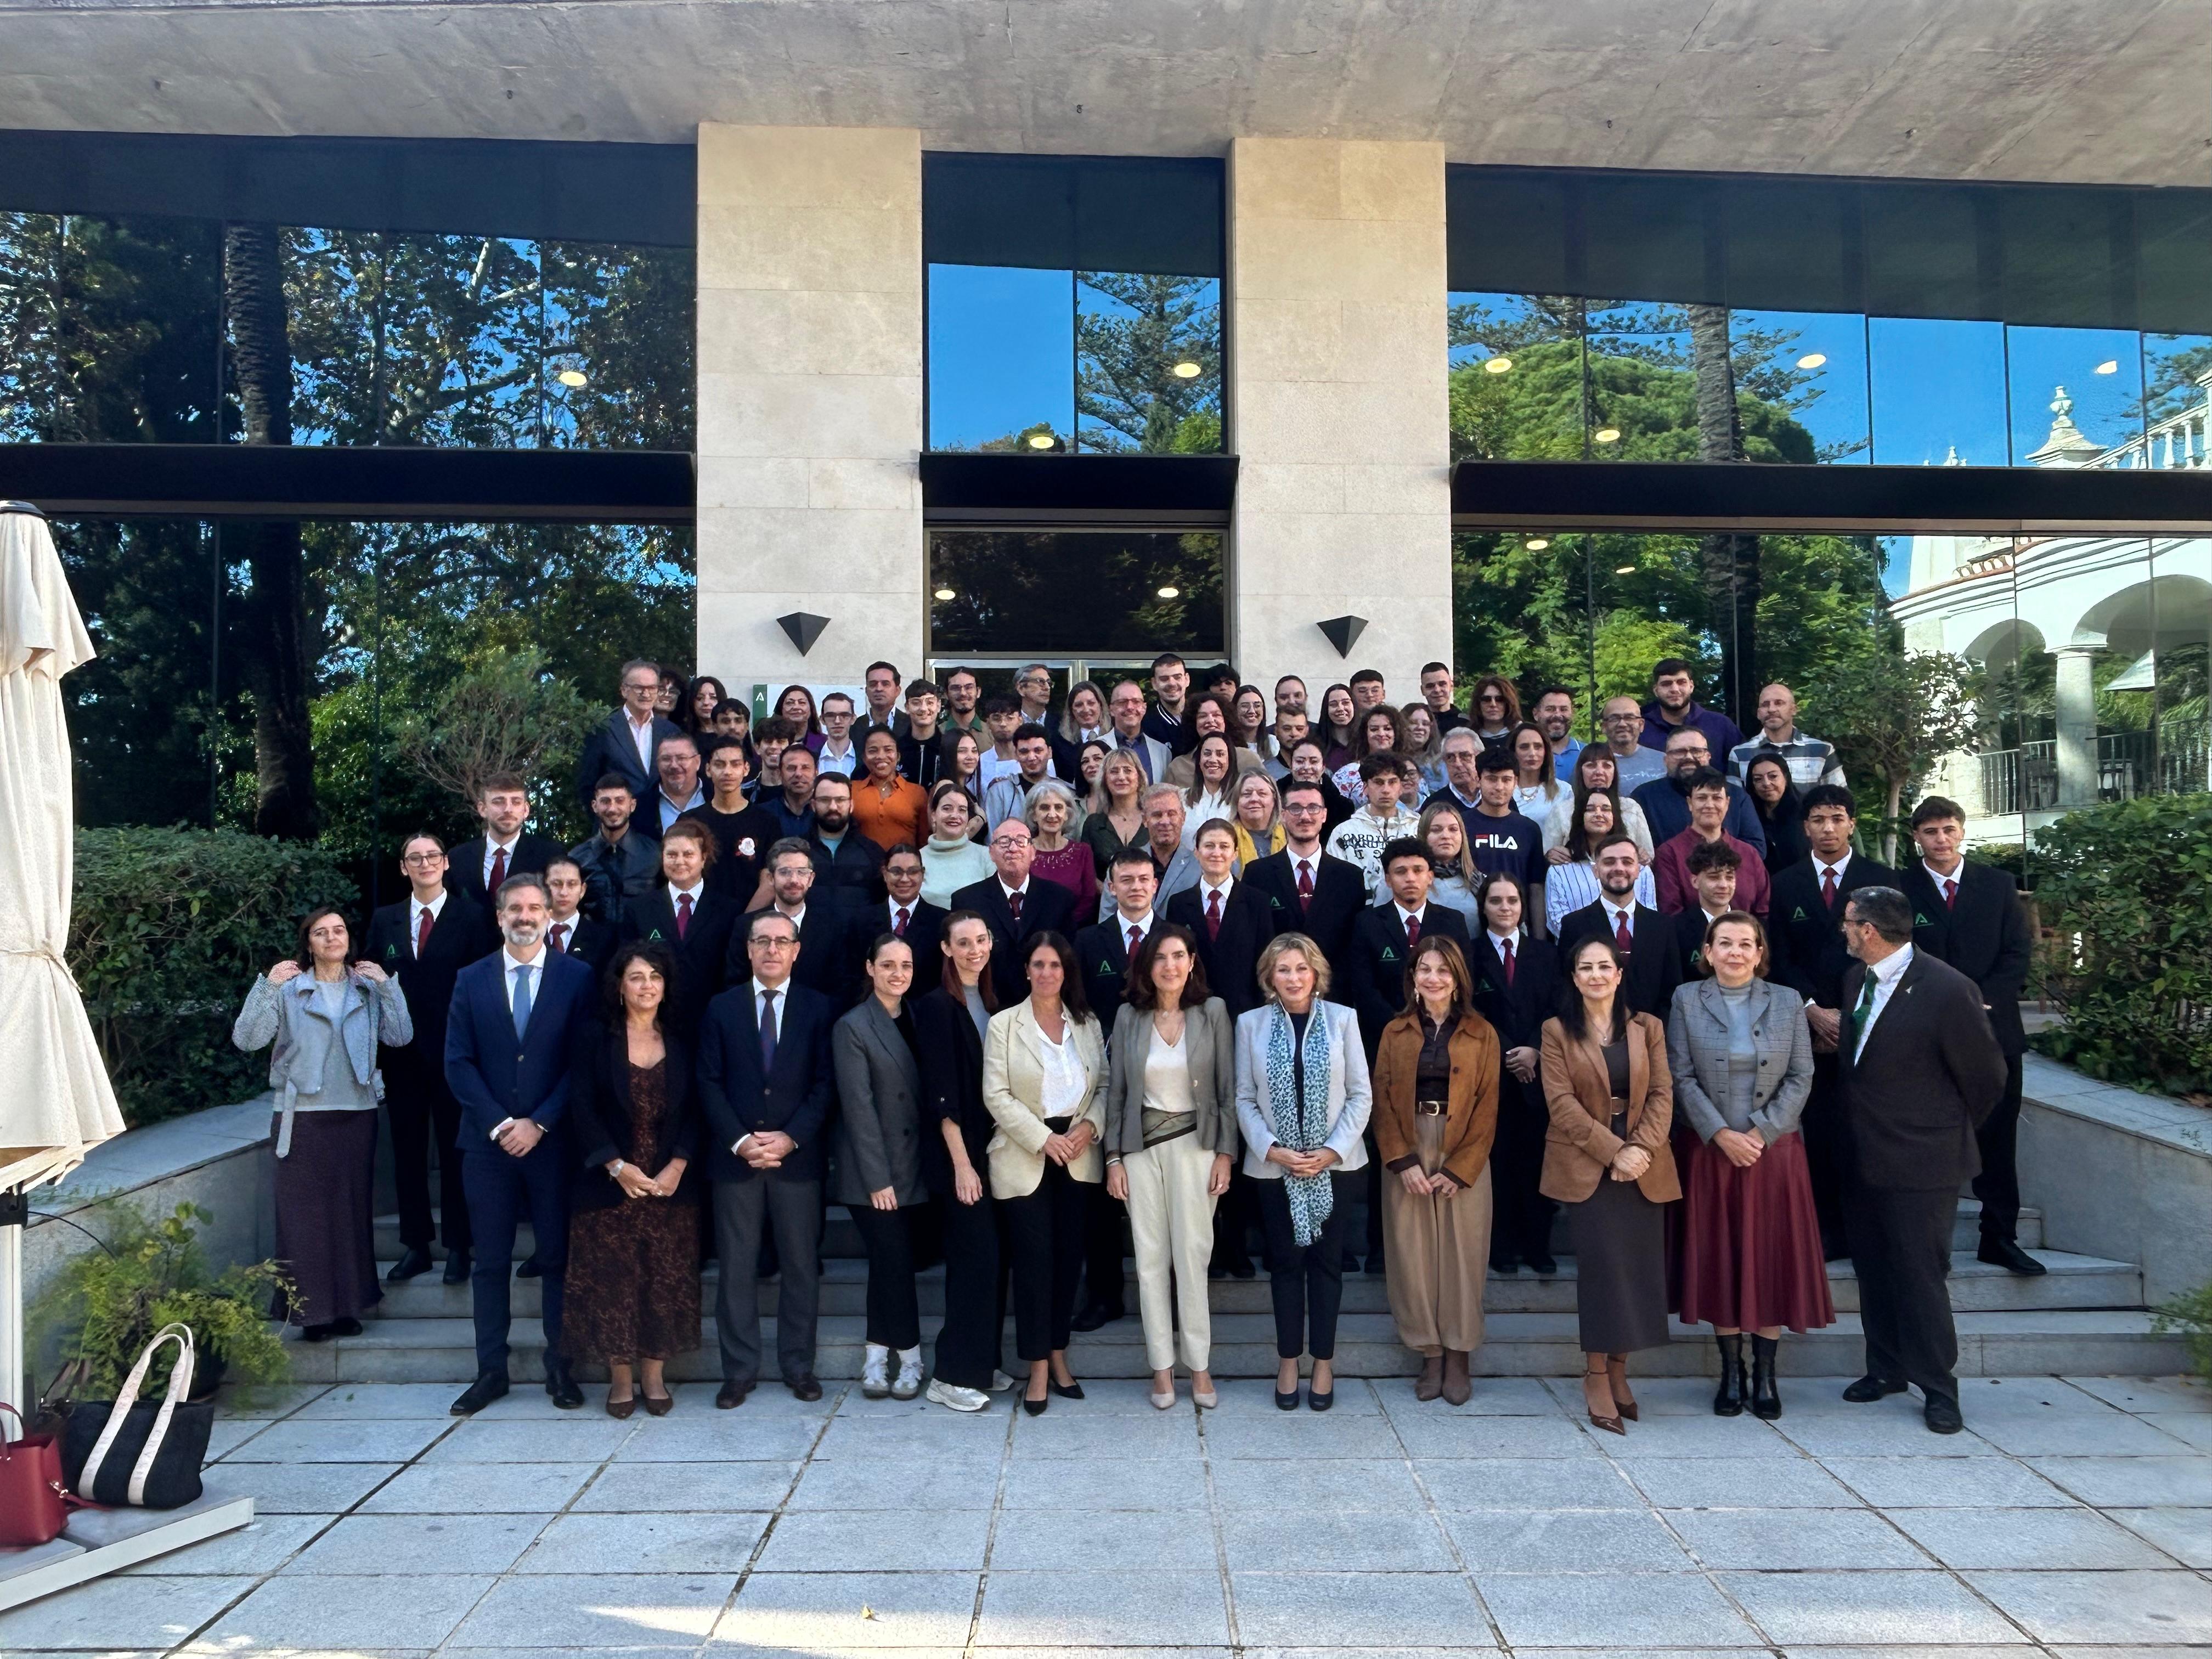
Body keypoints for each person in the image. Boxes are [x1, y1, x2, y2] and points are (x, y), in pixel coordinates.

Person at [1836, 887, 2007, 1434]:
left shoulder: (1948, 989)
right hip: (1863, 1155)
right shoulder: (1855, 980)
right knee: (1874, 1268)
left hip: (1924, 1160)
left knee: (1920, 1272)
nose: (1842, 930)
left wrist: (1940, 1130)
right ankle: (1885, 1368)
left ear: (1869, 930)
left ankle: (1939, 1386)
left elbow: (1986, 1079)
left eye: (1848, 922)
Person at [443, 874, 598, 1414]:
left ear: (549, 915)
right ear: (500, 917)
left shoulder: (578, 978)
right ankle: (492, 1371)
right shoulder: (470, 978)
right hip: (488, 1147)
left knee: (557, 1256)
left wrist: (540, 1123)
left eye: (536, 907)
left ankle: (562, 1366)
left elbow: (582, 1063)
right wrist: (501, 1125)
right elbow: (457, 1061)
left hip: (553, 1145)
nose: (526, 916)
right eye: (516, 909)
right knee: (490, 1262)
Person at [1666, 911, 1829, 1420]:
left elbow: (1802, 1076)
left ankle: (1766, 1376)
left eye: (1746, 944)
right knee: (1721, 1258)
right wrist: (1720, 1134)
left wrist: (1759, 1132)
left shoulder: (1784, 1001)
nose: (1735, 953)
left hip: (1773, 1153)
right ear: (1707, 951)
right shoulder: (1686, 999)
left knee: (1768, 1259)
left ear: (1760, 954)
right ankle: (1731, 1374)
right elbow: (1680, 1075)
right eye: (1725, 943)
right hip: (1710, 1152)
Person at [233, 907, 410, 1342]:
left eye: (339, 931)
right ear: (308, 943)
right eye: (321, 933)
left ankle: (348, 1309)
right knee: (303, 1218)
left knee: (350, 1214)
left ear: (349, 938)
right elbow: (247, 1038)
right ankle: (312, 1314)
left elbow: (401, 1036)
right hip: (302, 1118)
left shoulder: (368, 988)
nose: (332, 938)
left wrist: (388, 989)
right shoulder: (291, 988)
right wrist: (267, 986)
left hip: (357, 1115)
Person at [1541, 934, 1679, 1434]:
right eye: (1586, 968)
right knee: (1603, 1271)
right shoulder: (1556, 1031)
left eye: (1605, 966)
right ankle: (1595, 1375)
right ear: (1574, 978)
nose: (1596, 975)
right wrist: (1613, 1151)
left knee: (1638, 1271)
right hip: (1588, 1164)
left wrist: (1640, 1149)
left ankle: (1621, 1373)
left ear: (1619, 975)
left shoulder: (1649, 1028)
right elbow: (1561, 1105)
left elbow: (1663, 1092)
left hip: (1644, 1163)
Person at [698, 910, 837, 1406]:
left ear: (797, 950)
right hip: (735, 1161)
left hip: (796, 1160)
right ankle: (739, 1371)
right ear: (749, 949)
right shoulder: (720, 1008)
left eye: (782, 941)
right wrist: (741, 1141)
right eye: (762, 941)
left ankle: (799, 1366)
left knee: (801, 1266)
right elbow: (708, 1083)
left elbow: (826, 1084)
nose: (772, 950)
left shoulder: (820, 1008)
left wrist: (790, 1138)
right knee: (735, 1268)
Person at [1900, 797, 2039, 1276]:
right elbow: (1895, 955)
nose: (1941, 839)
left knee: (1998, 1139)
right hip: (1925, 1036)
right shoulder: (1901, 889)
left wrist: (1980, 1000)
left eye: (1949, 829)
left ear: (1962, 832)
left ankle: (1999, 1238)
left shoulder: (1998, 885)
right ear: (1916, 836)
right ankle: (1923, 1243)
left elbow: (2018, 954)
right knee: (1925, 1141)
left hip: (1994, 1031)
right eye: (1931, 831)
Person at [562, 940, 699, 1418]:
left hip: (667, 1186)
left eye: (655, 977)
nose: (647, 986)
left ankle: (655, 1378)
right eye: (637, 977)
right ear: (619, 986)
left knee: (662, 1284)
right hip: (610, 1183)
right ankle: (621, 1382)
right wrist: (617, 1167)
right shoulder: (593, 1037)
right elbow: (581, 1106)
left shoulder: (681, 1039)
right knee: (613, 1285)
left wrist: (678, 1165)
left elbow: (695, 1110)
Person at [1236, 933, 1372, 1411]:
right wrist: (1273, 1149)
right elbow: (1244, 1097)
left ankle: (1324, 1362)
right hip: (1275, 1169)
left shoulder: (1343, 1020)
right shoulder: (1250, 1025)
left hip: (1335, 1166)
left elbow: (1361, 1094)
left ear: (1316, 974)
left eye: (1301, 969)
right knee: (1286, 1267)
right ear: (1269, 977)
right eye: (1283, 970)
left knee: (1328, 1266)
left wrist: (1331, 1151)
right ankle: (1289, 1360)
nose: (1293, 978)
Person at [1103, 925, 1236, 1408]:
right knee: (1151, 1260)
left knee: (1193, 1259)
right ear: (1146, 966)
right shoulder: (1128, 1017)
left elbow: (1227, 1090)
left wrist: (1225, 1153)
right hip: (1140, 1151)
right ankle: (1161, 1370)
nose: (1170, 966)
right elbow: (1115, 1093)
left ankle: (1199, 1369)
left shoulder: (1213, 1012)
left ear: (1192, 961)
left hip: (1196, 1150)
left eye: (1179, 956)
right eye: (1159, 958)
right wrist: (1114, 1158)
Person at [1765, 783, 1895, 1259]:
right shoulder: (1784, 882)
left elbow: (1893, 955)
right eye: (1818, 820)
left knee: (1866, 1131)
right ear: (1806, 827)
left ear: (1852, 824)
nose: (1828, 828)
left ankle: (1869, 1229)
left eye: (1837, 818)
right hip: (1808, 1026)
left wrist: (1851, 1012)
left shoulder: (1882, 881)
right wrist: (1812, 1010)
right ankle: (1825, 1232)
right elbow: (1777, 957)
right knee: (1818, 1131)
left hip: (1868, 1021)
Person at [984, 932, 1109, 1413]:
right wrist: (1044, 1138)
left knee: (1066, 1263)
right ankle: (1036, 1367)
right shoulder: (1004, 1025)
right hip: (1027, 1153)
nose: (1046, 973)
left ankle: (1059, 1356)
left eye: (1055, 965)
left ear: (1067, 971)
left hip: (1078, 1154)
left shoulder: (1087, 1022)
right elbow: (995, 1094)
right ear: (1026, 970)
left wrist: (1091, 1127)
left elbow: (1106, 1083)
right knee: (1034, 1267)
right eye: (1038, 964)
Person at [1373, 935, 1498, 1402]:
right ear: (1413, 978)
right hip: (1409, 1145)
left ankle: (1459, 1354)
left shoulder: (1482, 1032)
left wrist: (1462, 1167)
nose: (1434, 978)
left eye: (1443, 970)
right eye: (1424, 970)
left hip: (1464, 1150)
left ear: (1458, 978)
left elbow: (1488, 1106)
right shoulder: (1395, 1031)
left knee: (1463, 1255)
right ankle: (1429, 1354)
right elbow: (1381, 1099)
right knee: (1413, 1255)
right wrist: (1401, 1160)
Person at [365, 834, 494, 1285]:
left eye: (432, 856)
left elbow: (485, 986)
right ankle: (416, 1245)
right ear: (403, 867)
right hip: (401, 1057)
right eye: (414, 858)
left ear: (445, 864)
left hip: (456, 1054)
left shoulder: (472, 917)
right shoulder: (385, 921)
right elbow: (371, 987)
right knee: (407, 1152)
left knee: (456, 1153)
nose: (424, 864)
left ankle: (460, 1246)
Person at [911, 913, 1010, 1412]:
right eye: (964, 943)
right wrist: (963, 1166)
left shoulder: (991, 1001)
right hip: (960, 1157)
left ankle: (982, 1363)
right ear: (946, 949)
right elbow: (941, 1094)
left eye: (981, 940)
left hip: (992, 1151)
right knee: (976, 1262)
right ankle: (951, 1374)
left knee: (991, 1263)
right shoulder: (935, 1006)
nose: (975, 949)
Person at [832, 933, 933, 1401]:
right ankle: (909, 1359)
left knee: (890, 1265)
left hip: (917, 1167)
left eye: (906, 966)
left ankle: (876, 1354)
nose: (898, 974)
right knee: (893, 1262)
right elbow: (859, 1109)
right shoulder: (853, 1025)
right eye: (888, 965)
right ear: (870, 968)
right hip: (874, 1174)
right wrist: (878, 1180)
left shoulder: (920, 1016)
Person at [1466, 872, 1560, 1275]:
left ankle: (1537, 1247)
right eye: (1496, 901)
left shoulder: (1546, 955)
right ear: (1483, 907)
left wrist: (1534, 1050)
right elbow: (1470, 1010)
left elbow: (1557, 1008)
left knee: (1537, 1165)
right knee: (1498, 1165)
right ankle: (1500, 1248)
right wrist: (1509, 1052)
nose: (1505, 908)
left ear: (1523, 907)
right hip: (1492, 1076)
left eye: (1512, 901)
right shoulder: (1468, 955)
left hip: (1539, 1076)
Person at [619, 820, 736, 1035]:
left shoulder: (728, 911)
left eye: (688, 854)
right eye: (672, 854)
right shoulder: (639, 909)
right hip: (655, 1025)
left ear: (703, 858)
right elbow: (627, 967)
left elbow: (733, 972)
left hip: (712, 1023)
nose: (679, 861)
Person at [1555, 835, 1683, 1018]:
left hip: (1651, 1035)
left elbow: (1673, 989)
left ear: (1639, 870)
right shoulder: (1574, 925)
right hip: (1593, 1036)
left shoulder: (1663, 926)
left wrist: (1652, 1030)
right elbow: (1566, 986)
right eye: (1609, 862)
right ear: (1596, 870)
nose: (1619, 868)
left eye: (1627, 862)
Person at [1245, 780, 1367, 968]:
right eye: (1295, 808)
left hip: (1335, 992)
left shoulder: (1350, 877)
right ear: (1283, 815)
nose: (1305, 816)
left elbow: (1356, 947)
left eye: (1313, 808)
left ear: (1324, 815)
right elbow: (1253, 941)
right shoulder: (1257, 874)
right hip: (1277, 987)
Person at [741, 839, 860, 1008]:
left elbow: (841, 987)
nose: (794, 880)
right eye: (785, 872)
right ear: (771, 878)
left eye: (802, 872)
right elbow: (735, 984)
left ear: (811, 879)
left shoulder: (833, 928)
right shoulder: (745, 926)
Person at [1651, 766, 1771, 917]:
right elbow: (1671, 912)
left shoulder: (1748, 853)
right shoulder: (1669, 853)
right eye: (1702, 798)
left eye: (1717, 798)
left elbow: (1764, 912)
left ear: (1727, 804)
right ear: (1690, 803)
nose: (1709, 805)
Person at [1632, 727, 1769, 856]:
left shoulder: (1736, 796)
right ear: (1666, 760)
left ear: (1708, 756)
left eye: (1696, 751)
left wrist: (1710, 865)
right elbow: (1636, 850)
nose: (1689, 757)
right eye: (1679, 752)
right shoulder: (1644, 797)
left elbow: (1756, 848)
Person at [1457, 746, 1549, 928]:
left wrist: (1539, 939)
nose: (1499, 787)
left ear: (1516, 782)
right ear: (1478, 780)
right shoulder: (1459, 824)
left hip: (1516, 925)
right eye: (1492, 779)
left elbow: (1536, 888)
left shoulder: (1529, 829)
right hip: (1468, 923)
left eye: (1506, 780)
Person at [1544, 787, 1656, 936]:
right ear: (1580, 817)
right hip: (1581, 953)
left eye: (1606, 809)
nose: (1598, 814)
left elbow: (1650, 915)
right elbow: (1558, 922)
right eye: (1590, 809)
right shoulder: (1560, 870)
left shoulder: (1640, 868)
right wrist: (1601, 948)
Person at [575, 659, 682, 811]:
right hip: (617, 826)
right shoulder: (603, 729)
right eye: (639, 688)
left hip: (661, 827)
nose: (646, 694)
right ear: (624, 690)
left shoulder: (671, 731)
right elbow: (587, 785)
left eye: (652, 688)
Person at [683, 741, 778, 904]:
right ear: (708, 769)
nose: (727, 772)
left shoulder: (767, 821)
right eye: (720, 765)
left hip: (751, 919)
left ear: (746, 769)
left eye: (735, 764)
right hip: (702, 919)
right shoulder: (690, 822)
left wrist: (744, 923)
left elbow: (770, 882)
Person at [1076, 845, 1161, 1027]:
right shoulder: (1087, 941)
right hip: (1105, 1047)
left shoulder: (1175, 939)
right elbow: (1078, 1002)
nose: (1136, 887)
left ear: (1154, 885)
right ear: (1112, 888)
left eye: (1143, 879)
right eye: (1127, 880)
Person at [450, 774, 563, 906]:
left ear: (526, 809)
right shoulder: (458, 858)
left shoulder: (550, 856)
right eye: (499, 802)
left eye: (516, 802)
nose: (508, 809)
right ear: (482, 809)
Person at [1324, 752, 1419, 898]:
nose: (1386, 790)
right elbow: (1333, 884)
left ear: (1401, 787)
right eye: (1378, 782)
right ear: (1365, 787)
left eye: (1392, 782)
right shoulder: (1343, 833)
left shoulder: (1418, 827)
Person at [573, 775, 664, 920]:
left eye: (620, 801)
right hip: (595, 941)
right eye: (605, 801)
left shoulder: (655, 854)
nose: (612, 809)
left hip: (642, 941)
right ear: (595, 806)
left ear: (632, 805)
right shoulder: (578, 858)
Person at [1542, 747, 1657, 862]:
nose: (1599, 772)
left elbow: (1649, 856)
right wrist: (1552, 856)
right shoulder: (1563, 810)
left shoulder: (1631, 808)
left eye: (1607, 766)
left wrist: (1644, 858)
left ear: (1614, 772)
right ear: (1580, 771)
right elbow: (1548, 853)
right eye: (1591, 766)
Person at [1729, 681, 1846, 789]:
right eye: (1765, 705)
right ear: (1759, 713)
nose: (1771, 709)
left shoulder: (1821, 751)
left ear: (1793, 710)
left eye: (1779, 703)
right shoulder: (1740, 754)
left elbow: (1840, 799)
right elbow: (1733, 803)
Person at [803, 771, 887, 903]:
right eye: (825, 800)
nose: (833, 807)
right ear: (813, 805)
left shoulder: (873, 853)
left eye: (840, 800)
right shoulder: (797, 850)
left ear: (851, 805)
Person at [1668, 839, 1746, 981]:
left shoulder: (1750, 927)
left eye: (1729, 878)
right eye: (1714, 877)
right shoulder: (1675, 930)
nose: (1723, 885)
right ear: (1695, 881)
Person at [1641, 658, 1746, 758]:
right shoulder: (1642, 729)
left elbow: (1742, 767)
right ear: (1656, 690)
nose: (1675, 689)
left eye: (1681, 682)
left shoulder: (1721, 726)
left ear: (1691, 686)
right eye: (1666, 684)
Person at [1025, 777, 1098, 917]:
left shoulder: (1083, 852)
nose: (1052, 815)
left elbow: (1089, 899)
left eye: (1058, 808)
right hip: (1033, 933)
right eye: (1044, 807)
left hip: (1074, 932)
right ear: (1034, 815)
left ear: (1067, 814)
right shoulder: (1024, 852)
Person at [851, 725, 930, 853]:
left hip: (905, 869)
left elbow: (925, 842)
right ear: (864, 759)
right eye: (873, 751)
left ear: (898, 756)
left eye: (888, 750)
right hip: (862, 870)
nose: (881, 756)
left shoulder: (917, 793)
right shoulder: (852, 790)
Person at [1163, 695, 1267, 787]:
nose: (1211, 720)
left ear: (1226, 720)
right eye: (1203, 716)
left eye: (1216, 715)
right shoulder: (1179, 767)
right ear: (1193, 723)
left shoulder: (1248, 759)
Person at [878, 842, 947, 970]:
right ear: (885, 874)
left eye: (913, 872)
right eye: (896, 872)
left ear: (923, 874)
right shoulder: (860, 921)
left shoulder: (943, 921)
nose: (905, 879)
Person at [921, 780, 993, 904]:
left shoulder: (986, 856)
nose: (955, 815)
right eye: (947, 809)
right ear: (933, 815)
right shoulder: (918, 859)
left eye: (962, 810)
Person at [543, 856, 617, 974]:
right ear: (544, 888)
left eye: (572, 884)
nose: (564, 892)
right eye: (556, 884)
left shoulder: (603, 938)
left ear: (582, 890)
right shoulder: (529, 932)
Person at [1742, 750, 1812, 873]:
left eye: (1773, 776)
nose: (1766, 783)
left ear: (1785, 778)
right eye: (1758, 779)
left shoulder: (1806, 811)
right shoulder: (1746, 816)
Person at [984, 720, 1059, 833]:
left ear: (1049, 752)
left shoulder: (1062, 791)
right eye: (1024, 752)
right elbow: (992, 837)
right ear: (1016, 754)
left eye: (1038, 751)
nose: (1031, 757)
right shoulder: (999, 792)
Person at [1083, 746, 1148, 875]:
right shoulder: (1094, 824)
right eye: (1114, 771)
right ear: (1105, 780)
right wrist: (1110, 894)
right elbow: (1088, 872)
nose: (1121, 777)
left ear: (1139, 778)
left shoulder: (1152, 820)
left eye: (1127, 770)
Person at [1418, 801, 1481, 929]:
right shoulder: (1409, 879)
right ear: (1424, 835)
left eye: (1453, 829)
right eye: (1436, 830)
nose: (1446, 836)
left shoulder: (1477, 881)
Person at [1329, 706, 1406, 807]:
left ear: (1396, 733)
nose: (1381, 734)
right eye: (1374, 729)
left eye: (1387, 729)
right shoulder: (1347, 774)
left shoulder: (1409, 770)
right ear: (1365, 734)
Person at [1597, 695, 1668, 793]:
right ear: (1604, 727)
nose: (1622, 724)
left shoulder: (1663, 761)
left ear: (1641, 725)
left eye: (1629, 718)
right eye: (1614, 718)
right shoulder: (1591, 764)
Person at [1177, 731, 1240, 841]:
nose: (1213, 760)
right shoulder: (1181, 798)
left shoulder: (1240, 800)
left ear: (1230, 761)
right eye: (1207, 754)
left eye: (1220, 754)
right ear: (1199, 761)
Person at [646, 733, 709, 836]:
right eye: (666, 759)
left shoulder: (715, 796)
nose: (674, 765)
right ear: (658, 764)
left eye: (681, 758)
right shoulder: (642, 807)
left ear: (697, 762)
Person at [897, 677, 951, 788]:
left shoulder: (948, 747)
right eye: (916, 703)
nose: (924, 709)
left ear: (939, 706)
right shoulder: (896, 748)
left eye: (930, 703)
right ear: (907, 707)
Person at [1510, 721, 1567, 820]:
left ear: (1546, 752)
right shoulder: (1503, 789)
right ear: (1514, 752)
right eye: (1524, 747)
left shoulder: (1563, 791)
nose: (1532, 753)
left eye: (1538, 747)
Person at [1143, 651, 1197, 757]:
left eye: (1177, 677)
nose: (1172, 683)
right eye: (1164, 679)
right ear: (1154, 684)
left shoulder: (1202, 716)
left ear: (1187, 680)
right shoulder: (1146, 724)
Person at [1229, 769, 1285, 868]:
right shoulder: (1226, 838)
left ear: (1275, 799)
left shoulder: (1290, 836)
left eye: (1262, 794)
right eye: (1247, 794)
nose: (1254, 799)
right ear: (1236, 801)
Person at [976, 693, 1027, 795]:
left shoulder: (1031, 759)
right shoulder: (980, 763)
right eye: (997, 718)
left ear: (1020, 720)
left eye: (1010, 718)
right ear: (988, 723)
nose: (1003, 724)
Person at [1533, 686, 1582, 781]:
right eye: (1550, 709)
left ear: (1573, 714)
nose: (1557, 715)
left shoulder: (1586, 754)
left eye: (1564, 709)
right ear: (1536, 714)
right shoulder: (1525, 755)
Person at [1400, 703, 1447, 800]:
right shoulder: (1392, 760)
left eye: (1425, 724)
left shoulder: (1441, 763)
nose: (1420, 727)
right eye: (1413, 723)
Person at [859, 659, 910, 741]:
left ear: (897, 691)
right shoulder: (855, 727)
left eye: (885, 684)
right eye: (873, 684)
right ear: (866, 691)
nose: (879, 689)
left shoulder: (911, 725)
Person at [1418, 660, 1468, 735]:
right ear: (1422, 690)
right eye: (1430, 686)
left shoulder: (1466, 724)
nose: (1437, 690)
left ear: (1451, 686)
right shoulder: (1413, 723)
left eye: (1442, 684)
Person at [1317, 682, 1359, 769]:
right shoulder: (1317, 742)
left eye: (1346, 703)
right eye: (1333, 704)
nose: (1340, 708)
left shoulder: (1365, 740)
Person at [1468, 675, 1520, 744]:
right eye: (1486, 699)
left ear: (1509, 702)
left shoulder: (1522, 734)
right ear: (1478, 703)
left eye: (1500, 699)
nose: (1493, 704)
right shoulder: (1468, 738)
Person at [776, 683, 824, 752]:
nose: (796, 707)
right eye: (790, 703)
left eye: (802, 703)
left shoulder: (824, 743)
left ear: (811, 709)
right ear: (781, 709)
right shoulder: (770, 743)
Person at [940, 665, 984, 739]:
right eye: (956, 688)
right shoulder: (937, 735)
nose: (963, 693)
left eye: (969, 687)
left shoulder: (993, 735)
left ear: (978, 692)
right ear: (946, 694)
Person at [946, 728, 986, 807]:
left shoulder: (966, 790)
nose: (971, 757)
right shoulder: (946, 790)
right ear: (949, 754)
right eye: (962, 751)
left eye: (974, 751)